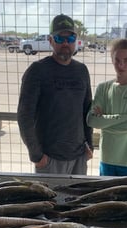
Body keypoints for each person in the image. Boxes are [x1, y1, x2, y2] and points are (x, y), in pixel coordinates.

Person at [17, 14, 93, 175]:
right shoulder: (37, 71)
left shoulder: (81, 70)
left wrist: (90, 144)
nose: (65, 43)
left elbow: (87, 109)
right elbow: (25, 115)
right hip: (49, 158)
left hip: (79, 156)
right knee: (50, 200)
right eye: (59, 38)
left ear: (76, 40)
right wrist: (36, 155)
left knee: (78, 199)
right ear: (50, 41)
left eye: (70, 38)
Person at [87, 38, 127, 176]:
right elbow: (92, 121)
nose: (121, 65)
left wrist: (106, 122)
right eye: (117, 60)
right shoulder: (103, 88)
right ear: (112, 60)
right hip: (107, 158)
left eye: (126, 60)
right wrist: (125, 117)